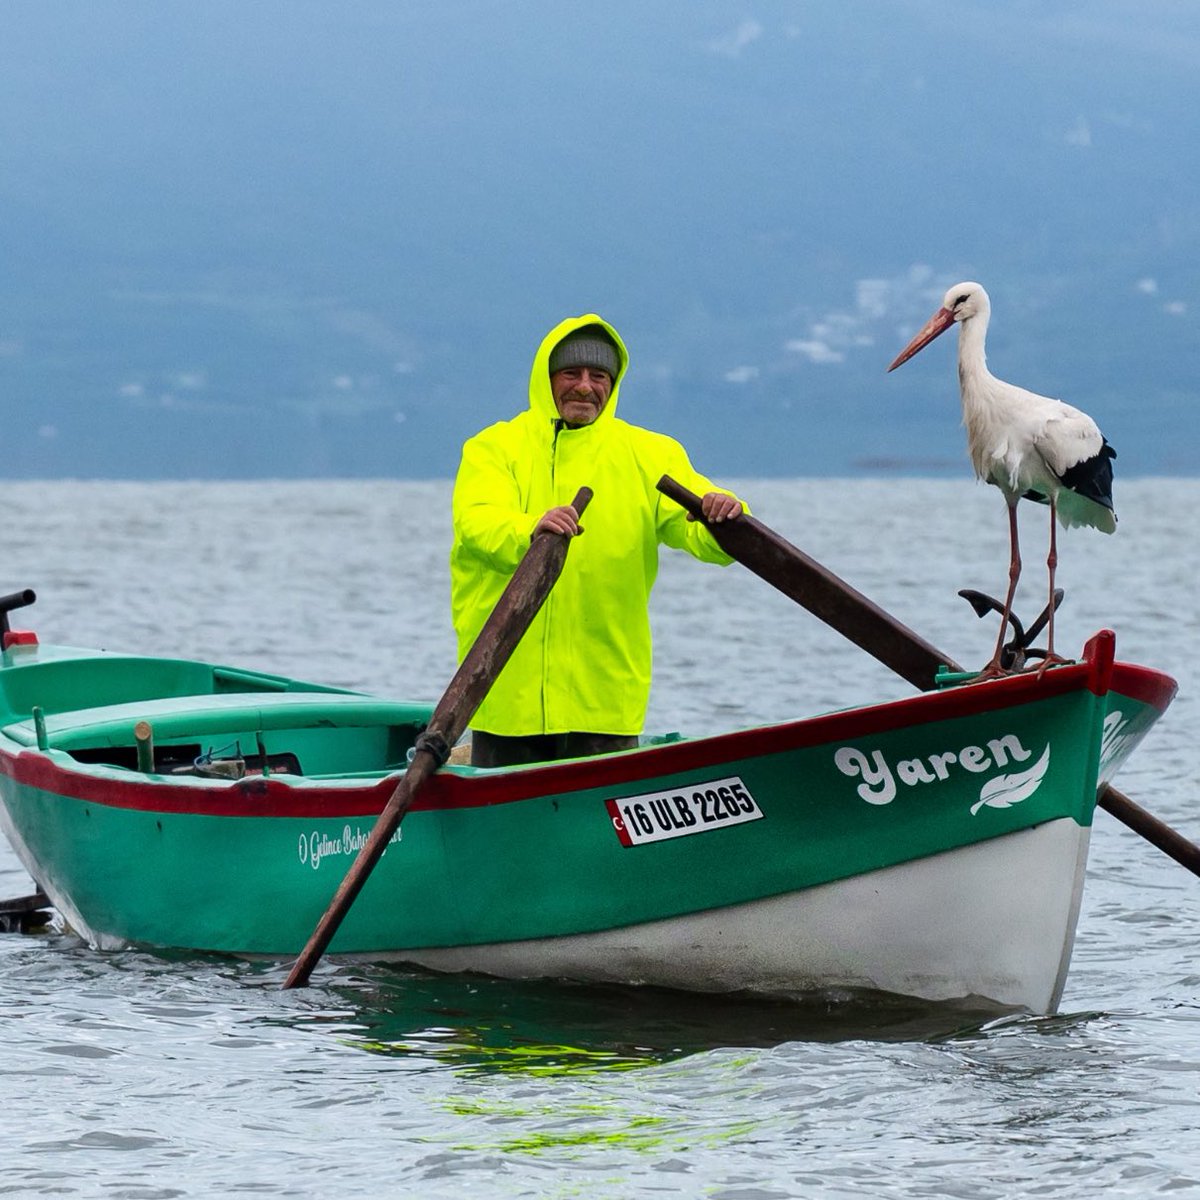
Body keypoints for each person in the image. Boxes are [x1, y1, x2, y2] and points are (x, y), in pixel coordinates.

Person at [450, 313, 745, 768]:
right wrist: (531, 529)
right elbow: (479, 525)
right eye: (571, 373)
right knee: (507, 817)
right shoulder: (493, 448)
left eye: (598, 375)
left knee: (598, 820)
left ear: (614, 383)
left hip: (604, 695)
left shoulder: (650, 454)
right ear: (545, 378)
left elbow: (698, 531)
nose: (585, 386)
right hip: (505, 689)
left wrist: (723, 517)